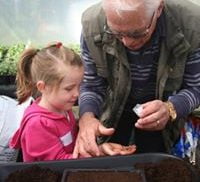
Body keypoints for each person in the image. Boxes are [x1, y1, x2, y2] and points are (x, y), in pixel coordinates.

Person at [73, 0, 200, 158]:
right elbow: (92, 85)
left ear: (159, 8)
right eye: (116, 33)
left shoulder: (192, 24)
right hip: (114, 108)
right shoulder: (93, 24)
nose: (127, 42)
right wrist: (87, 117)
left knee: (154, 157)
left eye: (137, 33)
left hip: (161, 111)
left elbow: (195, 87)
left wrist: (171, 108)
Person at [9, 43, 136, 162]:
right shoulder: (38, 125)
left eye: (79, 85)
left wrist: (100, 150)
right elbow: (56, 165)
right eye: (69, 88)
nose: (77, 94)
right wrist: (98, 154)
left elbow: (73, 150)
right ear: (43, 87)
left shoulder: (63, 108)